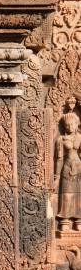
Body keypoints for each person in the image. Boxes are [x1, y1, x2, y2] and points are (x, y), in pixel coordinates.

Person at [55, 96, 81, 231]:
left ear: (77, 125)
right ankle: (64, 220)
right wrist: (56, 176)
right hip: (66, 168)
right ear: (64, 126)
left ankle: (78, 220)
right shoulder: (61, 139)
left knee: (79, 195)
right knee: (66, 194)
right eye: (67, 125)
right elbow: (59, 158)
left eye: (73, 124)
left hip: (78, 167)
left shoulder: (80, 137)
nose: (70, 127)